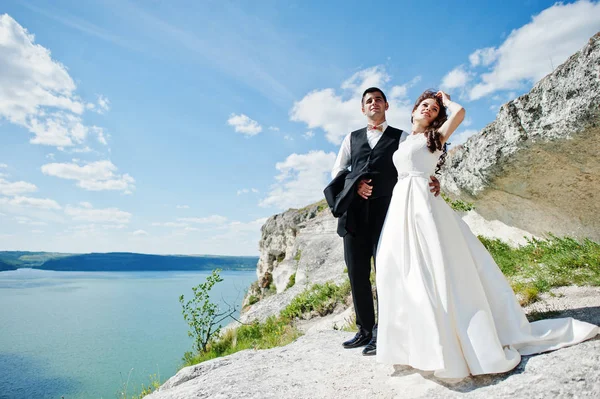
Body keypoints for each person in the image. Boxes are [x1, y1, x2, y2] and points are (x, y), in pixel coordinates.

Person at [375, 89, 599, 378]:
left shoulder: (437, 136)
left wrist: (445, 101)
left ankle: (455, 344)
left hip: (424, 205)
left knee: (437, 268)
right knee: (404, 272)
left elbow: (459, 114)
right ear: (413, 109)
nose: (428, 110)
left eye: (433, 109)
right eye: (424, 106)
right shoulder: (406, 140)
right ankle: (417, 345)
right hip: (401, 205)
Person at [327, 87, 441, 356]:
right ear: (362, 108)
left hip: (387, 213)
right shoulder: (350, 139)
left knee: (387, 273)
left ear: (386, 105)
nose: (374, 103)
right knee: (357, 274)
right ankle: (364, 330)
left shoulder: (401, 137)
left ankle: (386, 333)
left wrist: (433, 177)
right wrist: (354, 187)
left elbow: (415, 162)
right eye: (369, 100)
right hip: (354, 215)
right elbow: (338, 171)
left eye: (378, 99)